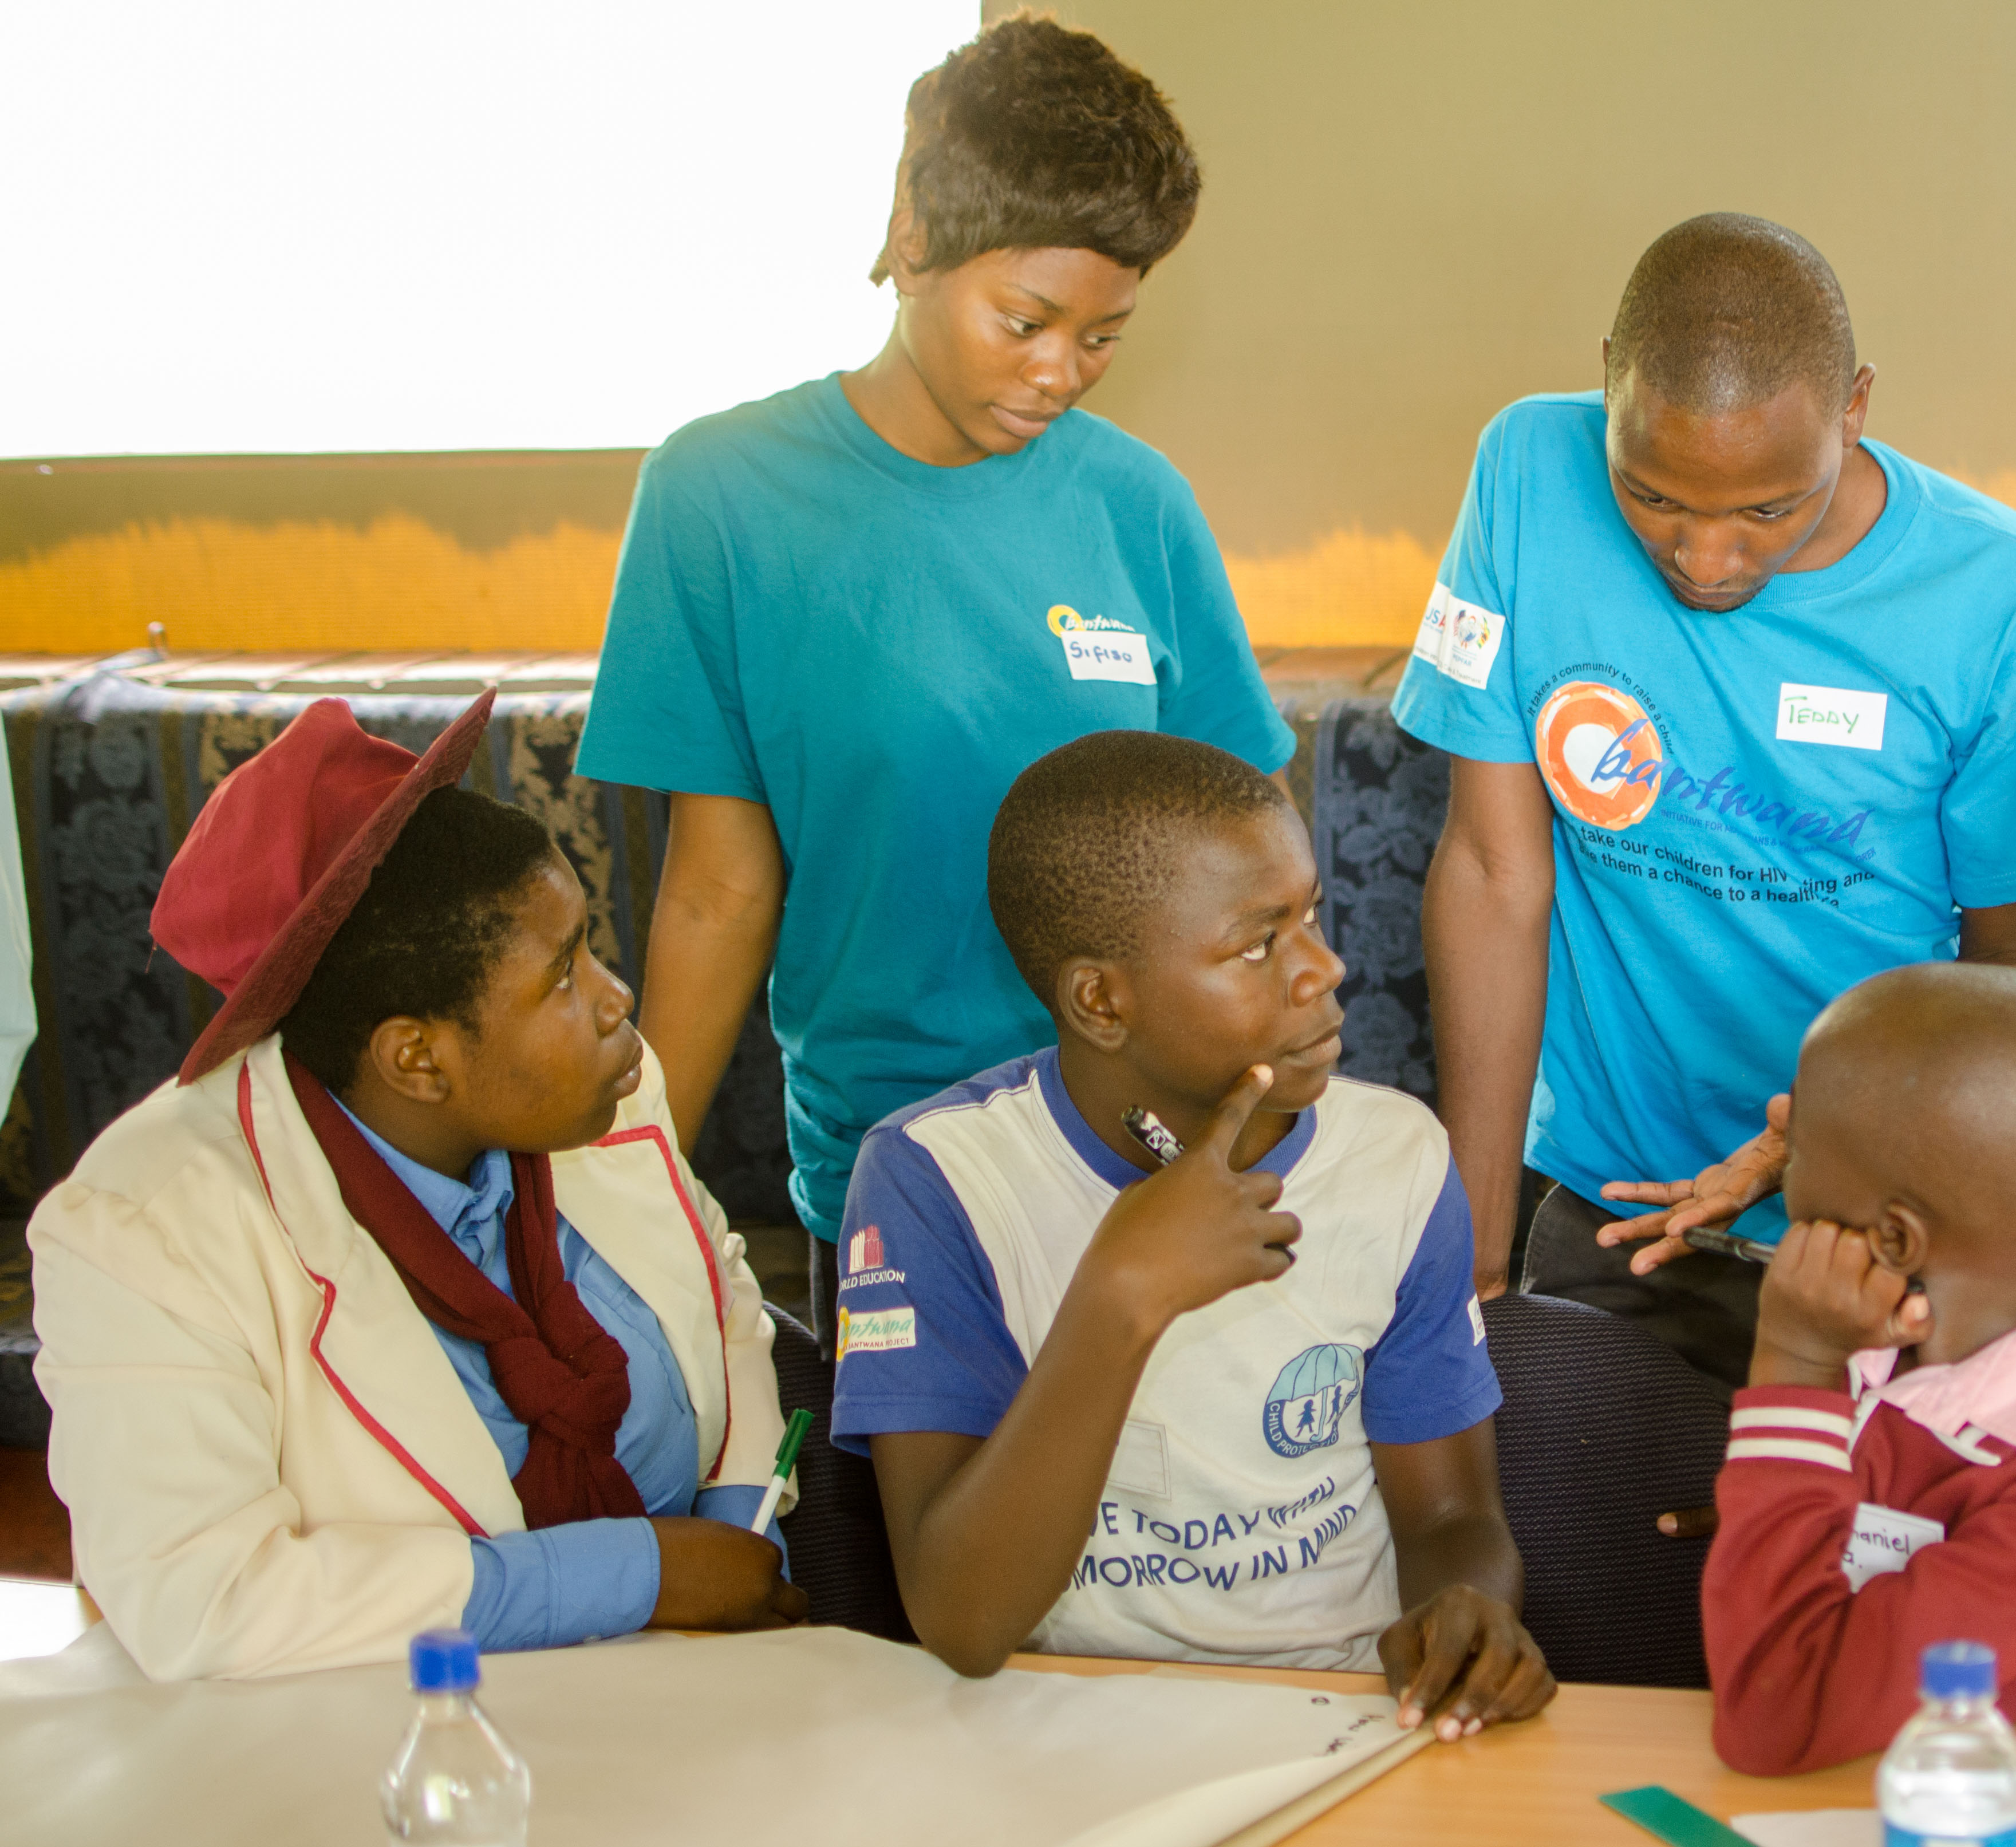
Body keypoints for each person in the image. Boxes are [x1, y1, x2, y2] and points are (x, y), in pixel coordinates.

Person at [578, 17, 1293, 1313]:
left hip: (1147, 1161)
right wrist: (638, 1191)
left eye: (1103, 336)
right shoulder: (721, 496)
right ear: (914, 235)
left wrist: (1263, 1116)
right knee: (932, 1523)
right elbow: (717, 892)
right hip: (889, 1160)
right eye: (1025, 319)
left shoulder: (1138, 505)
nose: (1057, 373)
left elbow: (1249, 863)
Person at [1390, 211, 2016, 1386]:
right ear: (1610, 396)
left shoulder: (2008, 600)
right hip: (1594, 1194)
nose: (1706, 559)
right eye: (1654, 499)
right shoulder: (1526, 473)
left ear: (1855, 410)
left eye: (1767, 510)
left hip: (1873, 1232)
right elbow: (1491, 871)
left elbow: (2008, 990)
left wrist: (1867, 1194)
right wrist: (1471, 1256)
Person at [30, 697, 802, 1682]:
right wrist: (642, 1575)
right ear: (416, 1059)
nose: (617, 1001)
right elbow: (204, 1600)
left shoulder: (592, 1088)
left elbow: (722, 1294)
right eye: (563, 974)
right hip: (388, 1761)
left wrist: (745, 1521)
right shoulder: (145, 1232)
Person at [830, 732, 1554, 1741]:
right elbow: (963, 1617)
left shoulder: (1393, 1156)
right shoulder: (938, 1182)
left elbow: (1450, 1521)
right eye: (1258, 944)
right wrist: (1125, 1292)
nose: (1323, 968)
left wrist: (1466, 1612)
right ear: (1101, 1001)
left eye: (1310, 915)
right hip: (1055, 1726)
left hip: (1345, 1717)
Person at [1702, 966, 2016, 1775]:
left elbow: (1775, 1713)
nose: (1779, 1132)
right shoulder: (1938, 1298)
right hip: (1876, 1761)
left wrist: (1793, 1369)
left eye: (1802, 1142)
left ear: (1898, 1240)